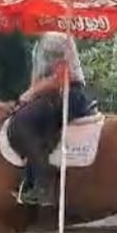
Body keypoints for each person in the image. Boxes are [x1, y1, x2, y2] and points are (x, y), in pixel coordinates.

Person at [10, 31, 93, 206]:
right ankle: (30, 178)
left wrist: (29, 94)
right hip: (51, 95)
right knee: (23, 115)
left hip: (68, 94)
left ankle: (43, 185)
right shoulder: (40, 42)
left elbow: (59, 77)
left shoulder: (54, 39)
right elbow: (39, 80)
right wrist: (29, 98)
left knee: (23, 122)